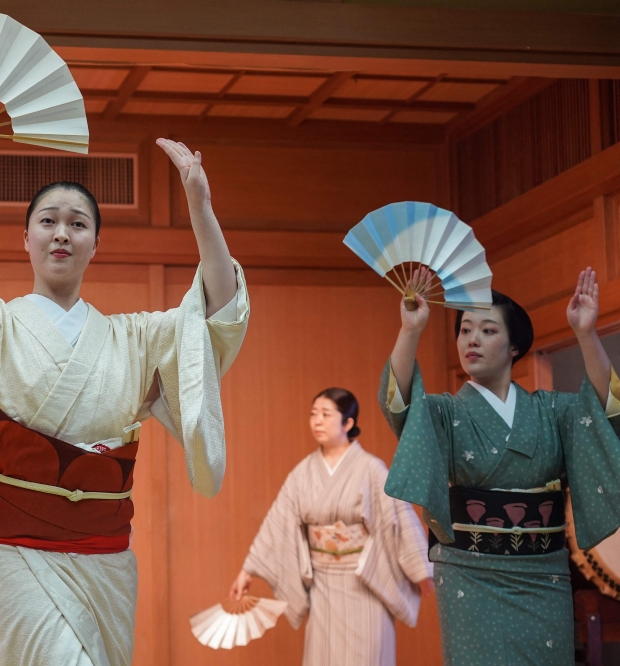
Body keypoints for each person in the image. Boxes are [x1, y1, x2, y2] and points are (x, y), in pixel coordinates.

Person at [0, 98, 249, 666]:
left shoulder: (134, 336)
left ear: (95, 246)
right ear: (25, 238)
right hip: (11, 542)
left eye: (78, 224)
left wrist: (200, 206)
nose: (62, 233)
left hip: (102, 550)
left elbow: (217, 315)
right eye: (48, 221)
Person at [381, 267, 620, 665]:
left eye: (488, 331)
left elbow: (607, 411)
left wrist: (585, 334)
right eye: (465, 330)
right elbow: (399, 407)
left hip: (543, 575)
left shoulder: (551, 411)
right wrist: (410, 331)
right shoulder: (444, 412)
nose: (472, 339)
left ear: (514, 347)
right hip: (468, 575)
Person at [229, 388, 432, 665]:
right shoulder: (303, 473)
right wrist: (248, 570)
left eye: (326, 415)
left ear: (348, 423)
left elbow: (398, 519)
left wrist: (421, 569)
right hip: (323, 587)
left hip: (366, 585)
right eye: (313, 415)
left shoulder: (371, 469)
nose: (317, 421)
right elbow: (277, 523)